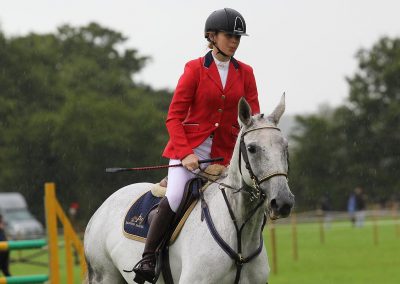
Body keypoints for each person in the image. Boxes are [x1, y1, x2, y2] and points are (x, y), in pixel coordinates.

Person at [133, 8, 260, 282]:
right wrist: (186, 153)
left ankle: (249, 262)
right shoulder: (194, 69)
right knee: (176, 195)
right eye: (230, 35)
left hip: (227, 156)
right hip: (191, 151)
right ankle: (148, 257)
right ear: (211, 36)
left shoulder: (246, 73)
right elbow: (174, 117)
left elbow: (251, 120)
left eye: (238, 36)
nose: (235, 41)